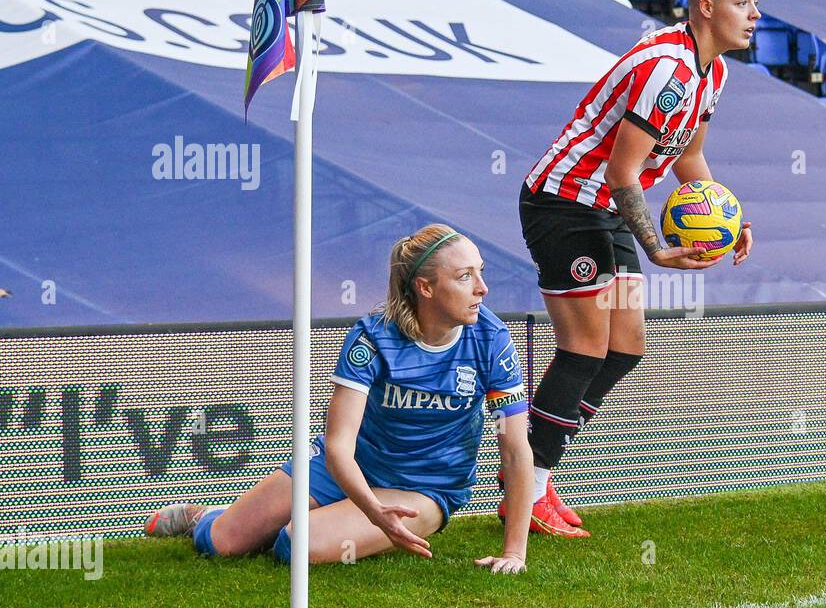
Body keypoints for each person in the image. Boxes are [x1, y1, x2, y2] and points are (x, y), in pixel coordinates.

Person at [511, 0, 758, 538]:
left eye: (754, 3)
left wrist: (727, 215)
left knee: (625, 347)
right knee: (585, 348)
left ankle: (535, 470)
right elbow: (623, 170)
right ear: (706, 6)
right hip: (566, 200)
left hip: (608, 206)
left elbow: (688, 159)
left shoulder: (711, 71)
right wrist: (657, 249)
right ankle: (528, 482)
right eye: (743, 2)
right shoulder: (666, 69)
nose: (755, 14)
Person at [143, 225, 535, 573]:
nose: (483, 288)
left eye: (481, 272)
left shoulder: (492, 340)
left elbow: (516, 450)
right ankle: (204, 517)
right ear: (426, 287)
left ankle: (325, 522)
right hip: (348, 467)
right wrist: (370, 510)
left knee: (295, 545)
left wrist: (514, 552)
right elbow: (338, 446)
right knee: (222, 544)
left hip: (425, 488)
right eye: (466, 277)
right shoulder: (372, 338)